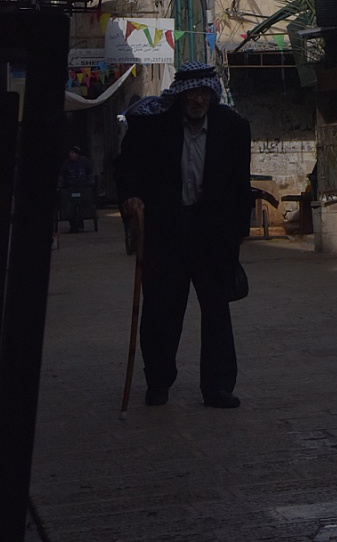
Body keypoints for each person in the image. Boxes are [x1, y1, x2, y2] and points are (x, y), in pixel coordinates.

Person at [115, 62, 273, 409]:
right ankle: (158, 381)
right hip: (166, 231)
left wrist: (237, 234)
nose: (198, 99)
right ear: (180, 95)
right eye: (191, 93)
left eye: (204, 92)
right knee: (162, 310)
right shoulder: (153, 125)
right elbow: (127, 167)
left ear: (212, 94)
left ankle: (218, 386)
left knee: (216, 310)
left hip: (212, 233)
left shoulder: (233, 127)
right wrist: (131, 196)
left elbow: (239, 185)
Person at [60, 144, 96, 233]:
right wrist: (60, 186)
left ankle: (80, 219)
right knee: (70, 206)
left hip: (82, 188)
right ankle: (73, 224)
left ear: (77, 154)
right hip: (70, 188)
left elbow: (90, 173)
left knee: (83, 204)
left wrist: (90, 183)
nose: (71, 155)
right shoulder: (66, 163)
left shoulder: (85, 162)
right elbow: (62, 175)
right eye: (70, 153)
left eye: (73, 153)